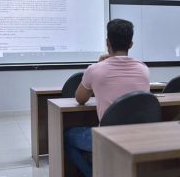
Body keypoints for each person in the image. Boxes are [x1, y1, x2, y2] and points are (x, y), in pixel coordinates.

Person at [64, 19, 149, 177]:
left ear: (107, 42)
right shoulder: (143, 69)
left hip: (108, 139)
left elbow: (80, 98)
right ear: (131, 44)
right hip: (139, 137)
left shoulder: (95, 70)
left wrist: (98, 66)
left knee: (68, 136)